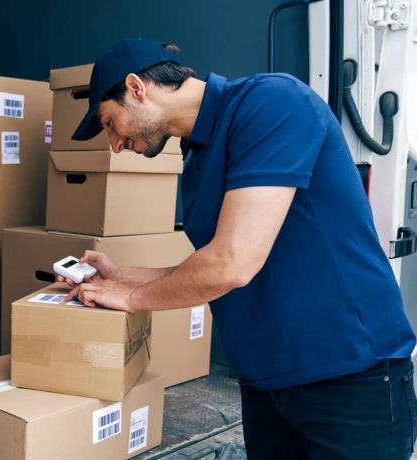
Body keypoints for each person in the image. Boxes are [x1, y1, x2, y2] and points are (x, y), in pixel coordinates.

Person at [60, 37, 417, 459]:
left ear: (137, 88)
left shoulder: (272, 103)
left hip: (345, 378)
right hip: (265, 382)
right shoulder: (196, 158)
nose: (114, 144)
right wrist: (121, 278)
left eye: (108, 123)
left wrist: (134, 297)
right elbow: (209, 265)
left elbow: (231, 264)